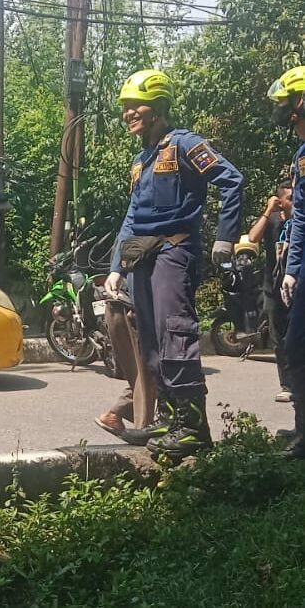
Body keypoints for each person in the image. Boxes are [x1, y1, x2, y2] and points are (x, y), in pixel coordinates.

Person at [106, 69, 244, 459]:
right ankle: (167, 418)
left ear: (159, 108)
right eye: (125, 107)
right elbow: (132, 215)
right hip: (142, 257)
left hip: (175, 251)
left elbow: (232, 180)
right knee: (150, 340)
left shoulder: (185, 144)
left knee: (175, 334)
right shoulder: (140, 160)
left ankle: (193, 426)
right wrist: (117, 265)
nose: (129, 113)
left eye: (137, 105)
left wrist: (225, 238)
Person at [266, 66, 305, 458]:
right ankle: (302, 432)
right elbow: (302, 218)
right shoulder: (301, 155)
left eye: (284, 101)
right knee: (296, 347)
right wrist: (292, 268)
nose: (279, 109)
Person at [247, 181, 296, 402]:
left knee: (297, 336)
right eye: (290, 198)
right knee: (279, 339)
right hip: (272, 288)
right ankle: (287, 385)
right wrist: (268, 211)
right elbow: (253, 238)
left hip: (296, 287)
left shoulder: (300, 220)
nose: (294, 202)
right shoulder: (273, 219)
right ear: (280, 200)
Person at [95, 280, 157, 438]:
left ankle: (115, 414)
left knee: (146, 374)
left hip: (122, 305)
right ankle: (142, 431)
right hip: (128, 307)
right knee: (146, 375)